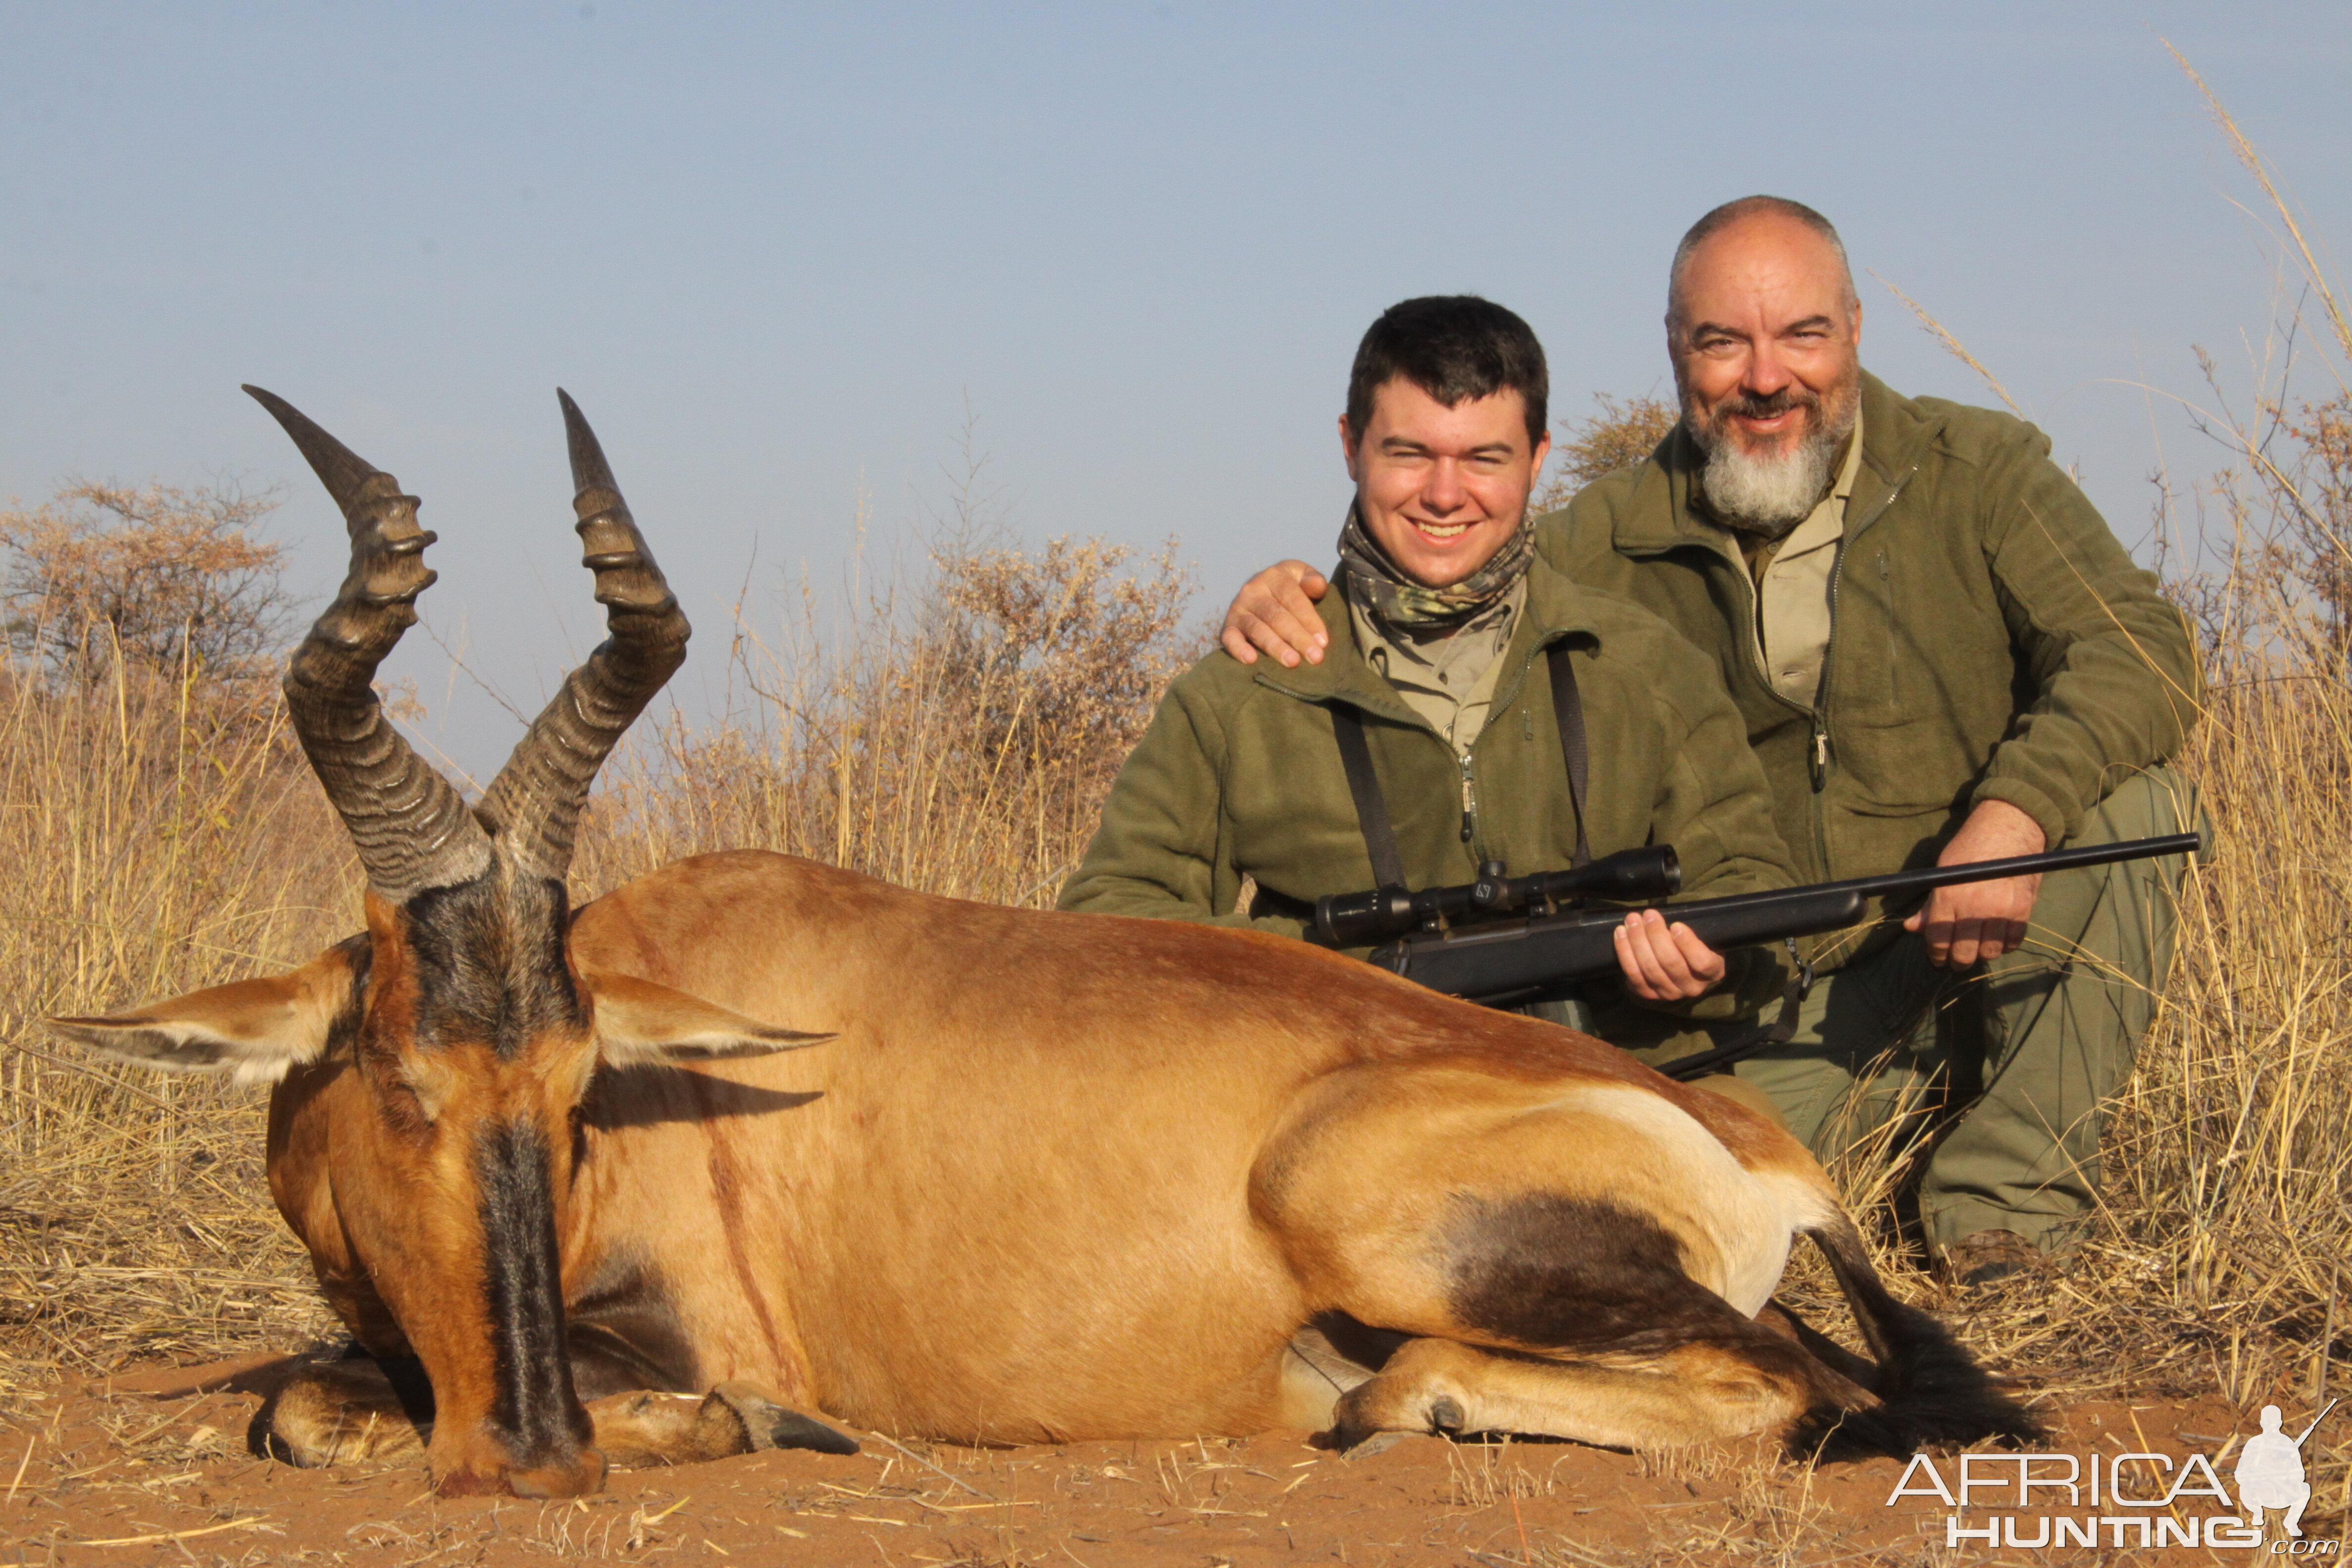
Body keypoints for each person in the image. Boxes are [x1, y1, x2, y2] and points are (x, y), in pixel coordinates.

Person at [1215, 199, 2204, 1287]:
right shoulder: (1600, 539)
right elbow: (1450, 575)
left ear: (1857, 332)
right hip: (1771, 991)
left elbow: (2140, 653)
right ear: (1677, 351)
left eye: (1803, 336)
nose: (1766, 376)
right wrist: (1300, 593)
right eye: (1723, 341)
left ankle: (2005, 1210)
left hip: (1978, 917)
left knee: (2135, 810)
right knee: (1673, 1225)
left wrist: (2010, 817)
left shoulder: (1979, 470)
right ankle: (1908, 1120)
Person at [1059, 295, 1800, 1064]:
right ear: (1351, 447)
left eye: (1485, 458)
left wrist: (1704, 964)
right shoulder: (1238, 692)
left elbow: (1748, 880)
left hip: (1621, 1081)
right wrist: (1318, 977)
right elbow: (1110, 919)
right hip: (1339, 1093)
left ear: (1538, 458)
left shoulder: (1647, 664)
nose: (1446, 495)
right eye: (1409, 454)